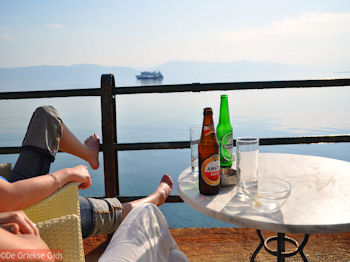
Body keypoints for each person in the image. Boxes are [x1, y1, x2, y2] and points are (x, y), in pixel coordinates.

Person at [0, 106, 189, 262]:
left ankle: (89, 154)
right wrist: (67, 174)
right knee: (140, 214)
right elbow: (39, 254)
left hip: (8, 194)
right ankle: (154, 199)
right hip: (19, 210)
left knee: (46, 116)